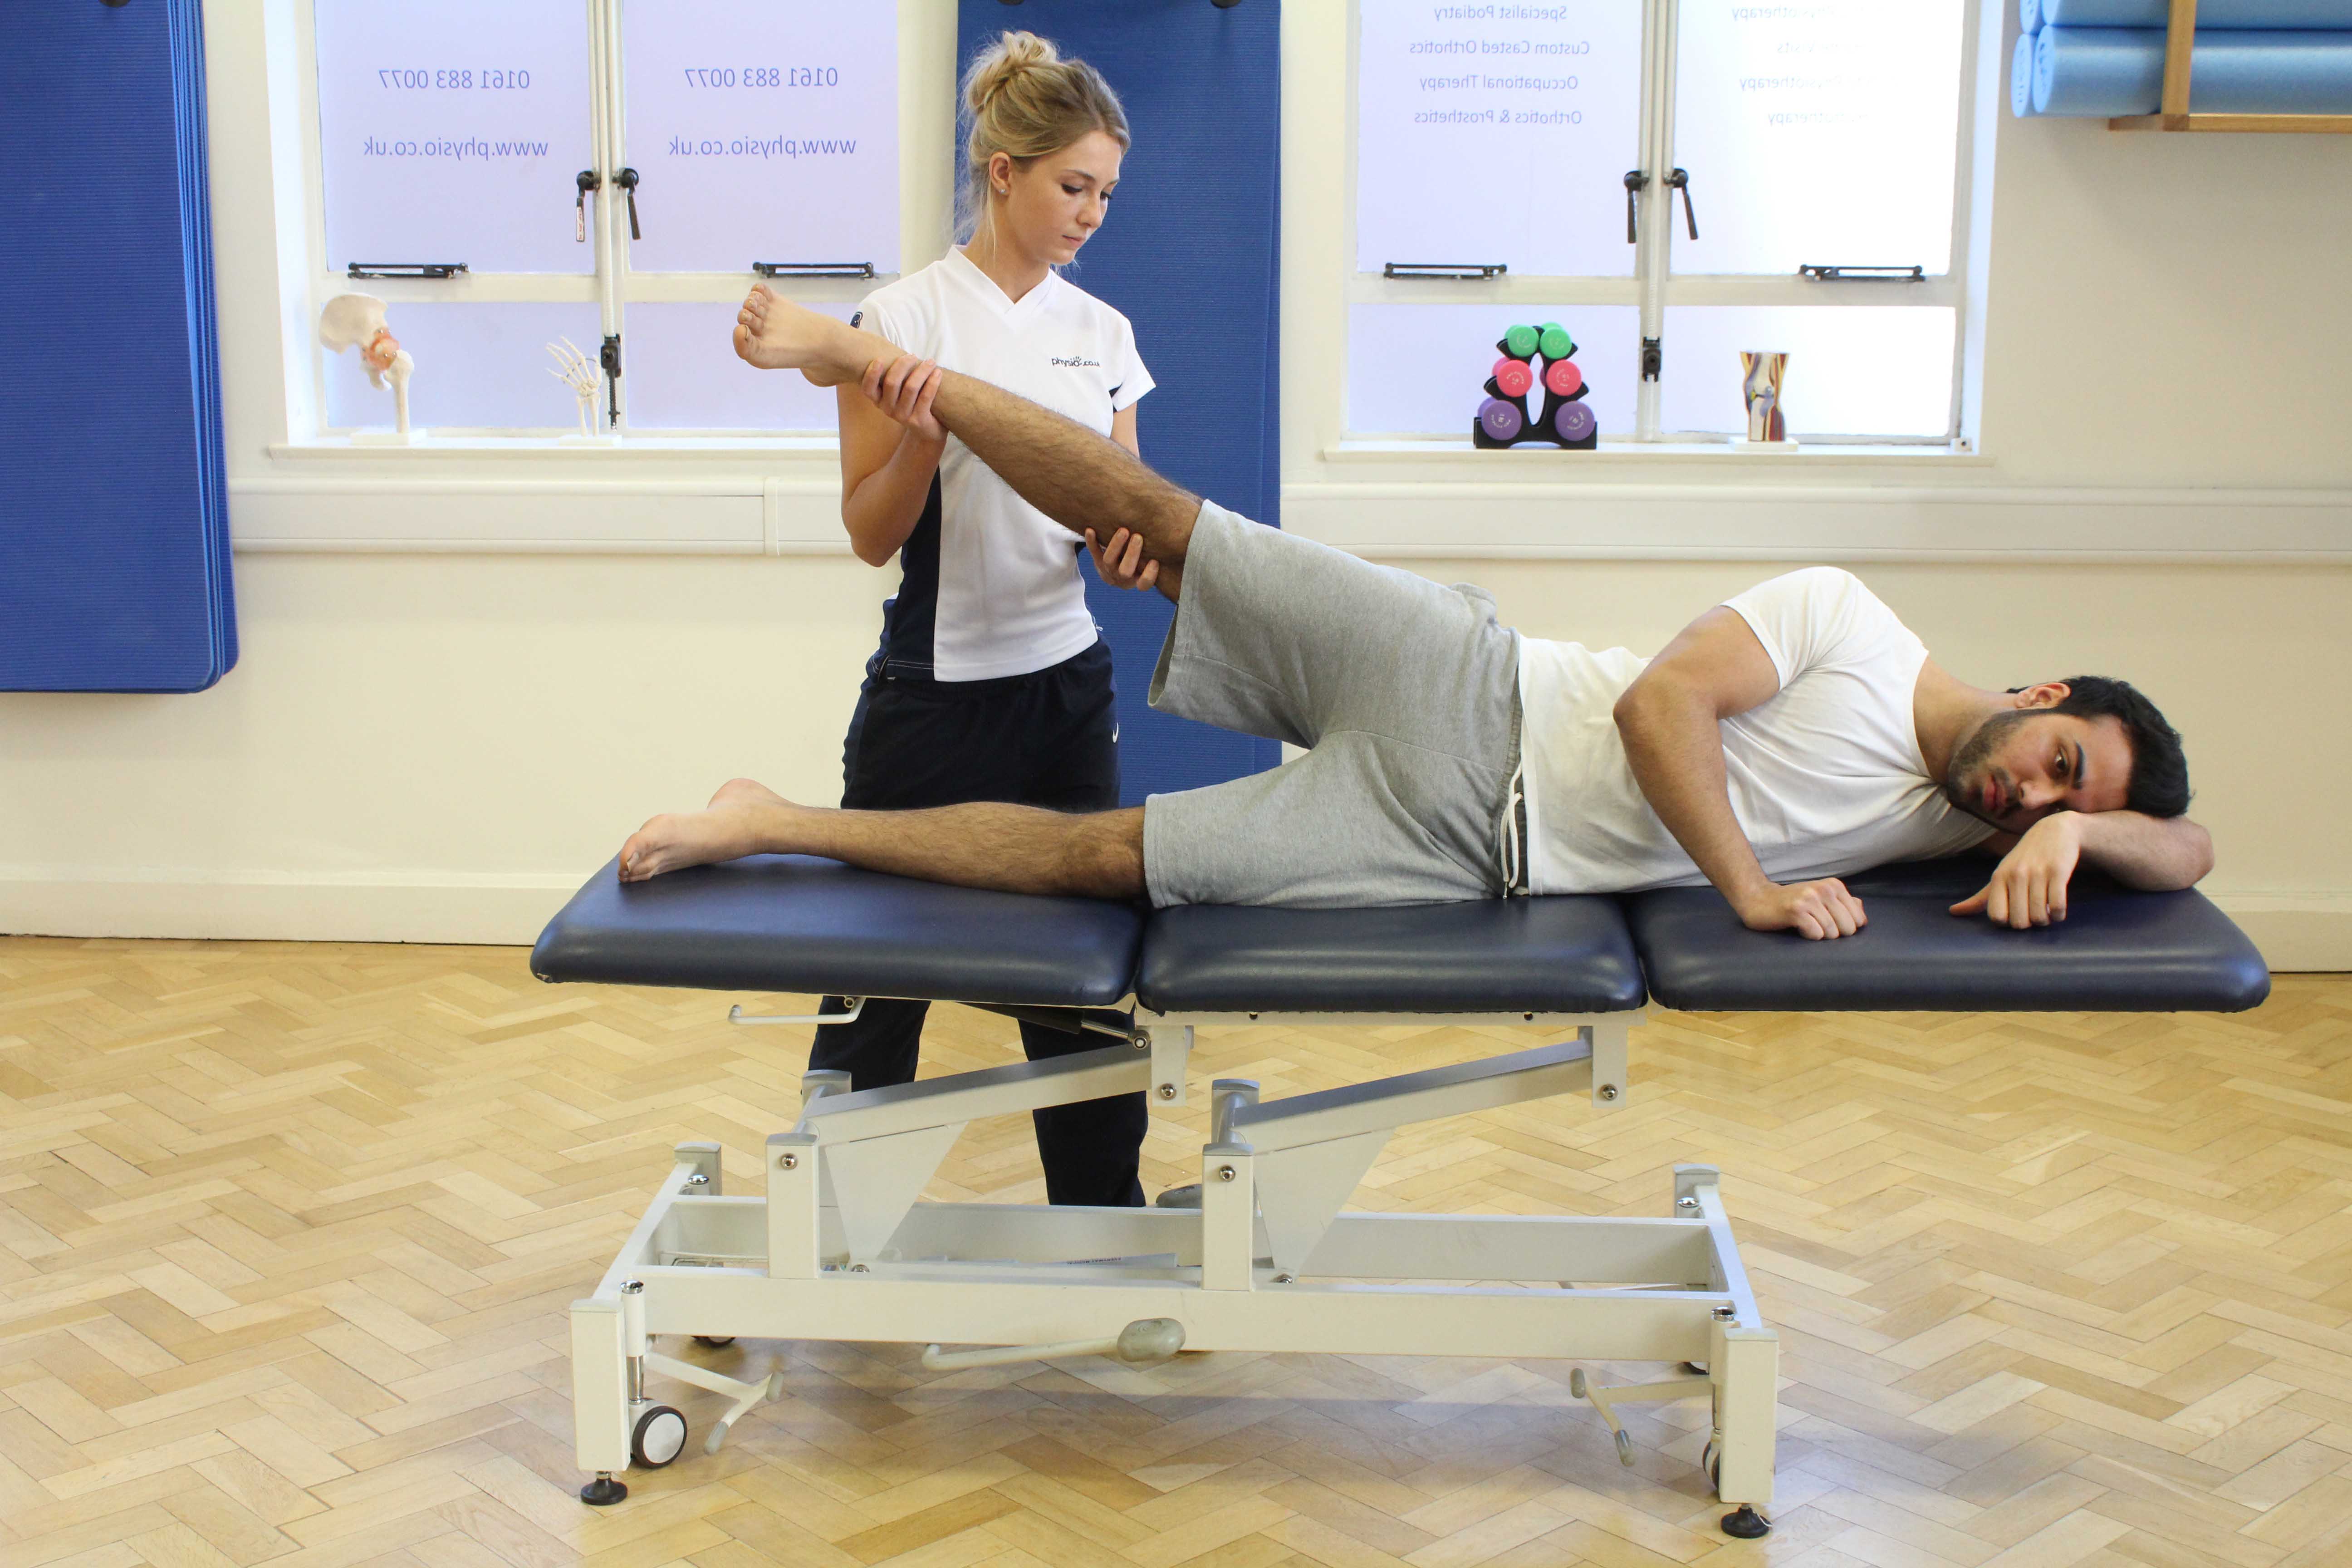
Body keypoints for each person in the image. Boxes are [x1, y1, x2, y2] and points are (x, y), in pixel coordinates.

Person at [621, 293, 2214, 940]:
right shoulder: (1851, 623)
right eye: (2064, 760)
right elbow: (1666, 710)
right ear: (2043, 689)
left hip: (1457, 841)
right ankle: (863, 354)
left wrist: (2082, 838)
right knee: (1155, 518)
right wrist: (1752, 891)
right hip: (1470, 685)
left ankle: (772, 819)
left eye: (2058, 800)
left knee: (1114, 857)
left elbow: (2196, 855)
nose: (2032, 794)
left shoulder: (1966, 824)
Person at [808, 31, 1159, 1208]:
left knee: (1083, 992)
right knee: (873, 984)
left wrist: (1125, 549)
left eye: (1106, 192)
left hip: (1065, 694)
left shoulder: (1100, 335)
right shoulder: (900, 317)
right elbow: (868, 533)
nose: (1092, 213)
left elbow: (1120, 524)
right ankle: (840, 1226)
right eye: (1075, 186)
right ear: (1002, 171)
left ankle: (1109, 1233)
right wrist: (919, 433)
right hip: (929, 705)